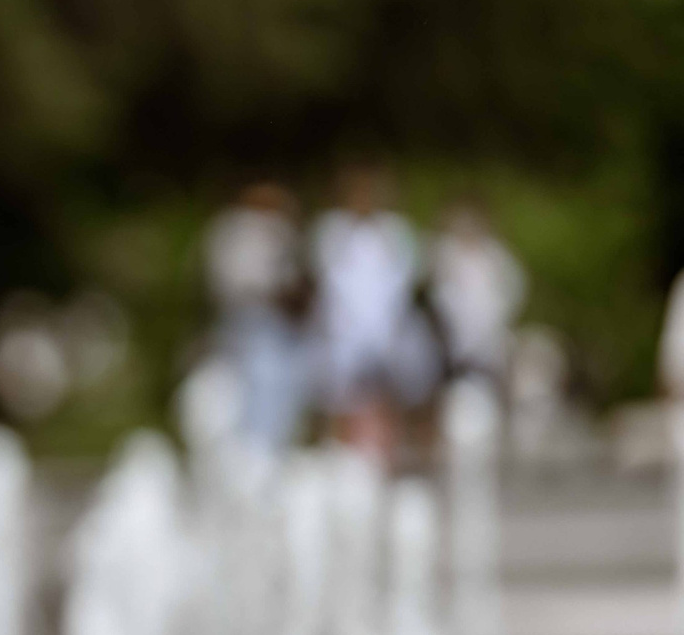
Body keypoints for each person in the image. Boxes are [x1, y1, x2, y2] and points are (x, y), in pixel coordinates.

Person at [310, 166, 438, 453]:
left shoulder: (397, 231)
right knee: (337, 397)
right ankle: (334, 455)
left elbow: (410, 280)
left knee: (408, 389)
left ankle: (409, 454)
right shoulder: (331, 231)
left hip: (389, 329)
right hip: (345, 331)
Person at [201, 182, 310, 447]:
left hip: (275, 330)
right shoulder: (238, 230)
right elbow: (247, 284)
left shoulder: (276, 229)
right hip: (249, 326)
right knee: (251, 393)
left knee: (277, 393)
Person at [427, 198, 526, 384]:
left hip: (492, 340)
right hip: (452, 344)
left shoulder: (497, 255)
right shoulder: (444, 252)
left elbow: (514, 290)